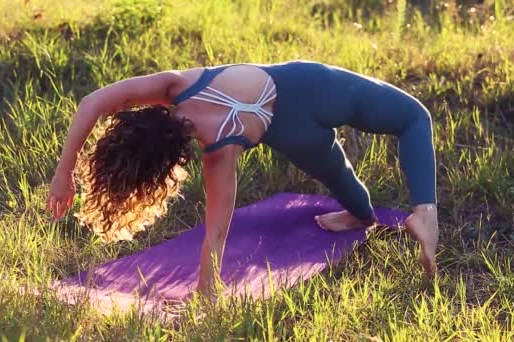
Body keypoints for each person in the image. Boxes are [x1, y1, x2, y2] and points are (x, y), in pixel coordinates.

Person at [46, 60, 439, 298]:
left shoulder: (218, 151)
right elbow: (93, 102)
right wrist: (63, 174)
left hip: (293, 136)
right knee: (413, 117)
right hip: (310, 88)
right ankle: (423, 211)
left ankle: (361, 214)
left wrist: (207, 290)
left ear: (162, 166)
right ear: (144, 115)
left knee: (334, 171)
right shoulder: (175, 85)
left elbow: (216, 233)